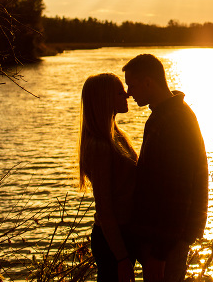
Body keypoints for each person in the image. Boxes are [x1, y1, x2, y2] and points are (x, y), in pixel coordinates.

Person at [122, 54, 208, 282]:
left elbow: (178, 191)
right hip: (162, 238)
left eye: (131, 84)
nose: (129, 92)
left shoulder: (175, 121)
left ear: (148, 82)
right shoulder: (165, 115)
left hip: (167, 243)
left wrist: (159, 254)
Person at [78, 73, 138, 282]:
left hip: (124, 236)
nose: (127, 95)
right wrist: (121, 258)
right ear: (104, 99)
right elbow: (105, 209)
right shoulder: (99, 146)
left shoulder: (117, 136)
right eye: (120, 92)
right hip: (113, 241)